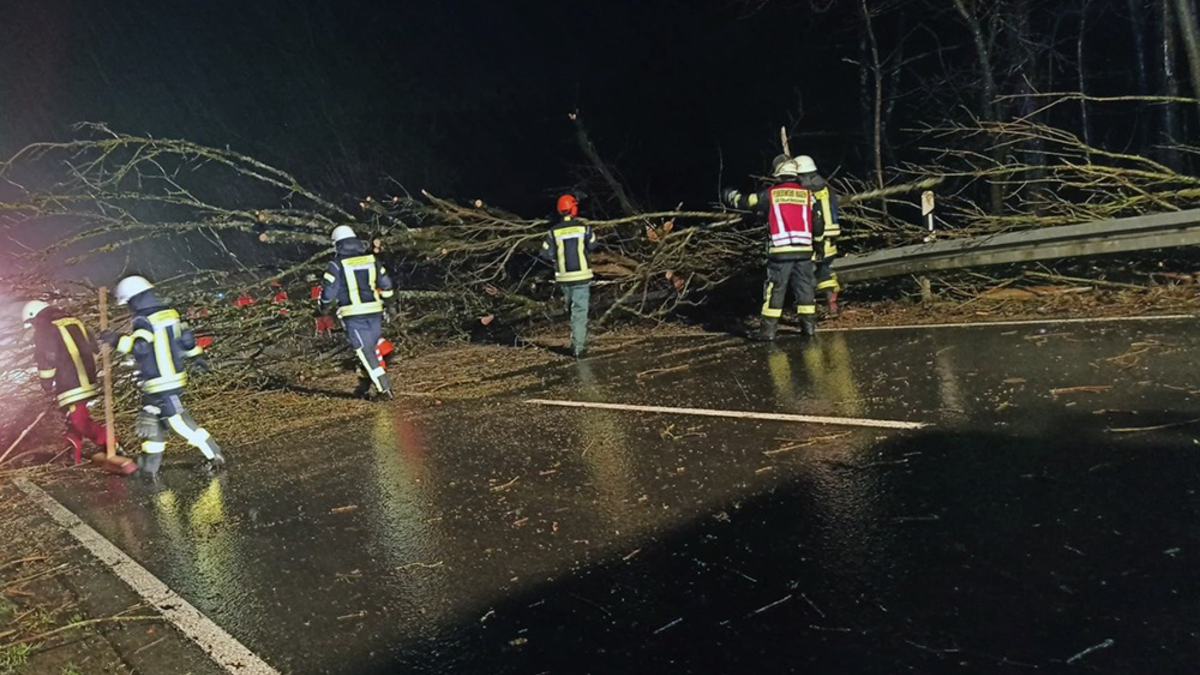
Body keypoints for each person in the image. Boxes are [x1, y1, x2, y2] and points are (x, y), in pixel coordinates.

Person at [102, 275, 225, 479]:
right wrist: (197, 357)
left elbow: (140, 347)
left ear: (134, 299)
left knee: (177, 421)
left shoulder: (143, 320)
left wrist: (114, 339)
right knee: (153, 423)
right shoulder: (170, 314)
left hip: (161, 381)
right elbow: (185, 341)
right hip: (168, 378)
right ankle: (149, 468)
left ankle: (214, 455)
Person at [723, 156, 824, 340]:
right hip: (804, 251)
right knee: (805, 289)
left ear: (778, 174)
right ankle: (809, 328)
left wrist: (731, 195)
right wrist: (819, 245)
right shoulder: (808, 195)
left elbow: (746, 202)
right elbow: (818, 222)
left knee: (775, 290)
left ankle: (768, 331)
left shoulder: (770, 194)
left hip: (781, 252)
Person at [22, 301, 123, 464]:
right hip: (87, 377)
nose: (33, 326)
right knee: (71, 420)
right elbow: (94, 348)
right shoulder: (74, 321)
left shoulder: (45, 329)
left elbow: (47, 358)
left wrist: (46, 383)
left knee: (79, 420)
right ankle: (71, 456)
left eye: (32, 323)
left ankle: (111, 443)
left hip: (70, 383)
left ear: (36, 316)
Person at [318, 225, 397, 399]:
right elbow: (386, 284)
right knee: (373, 344)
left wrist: (323, 307)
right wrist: (390, 305)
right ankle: (386, 350)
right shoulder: (370, 259)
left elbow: (329, 290)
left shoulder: (336, 264)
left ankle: (384, 390)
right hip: (374, 311)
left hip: (353, 314)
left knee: (366, 351)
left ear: (337, 244)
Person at [540, 194, 597, 358]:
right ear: (573, 208)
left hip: (564, 278)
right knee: (579, 312)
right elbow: (593, 244)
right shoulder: (583, 228)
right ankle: (578, 347)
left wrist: (557, 258)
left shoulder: (553, 232)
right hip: (581, 276)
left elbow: (545, 253)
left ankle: (575, 341)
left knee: (572, 311)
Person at [795, 155, 842, 318]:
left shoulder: (802, 192)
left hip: (813, 239)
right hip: (831, 238)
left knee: (806, 277)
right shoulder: (827, 188)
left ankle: (809, 312)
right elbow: (835, 210)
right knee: (825, 271)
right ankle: (832, 305)